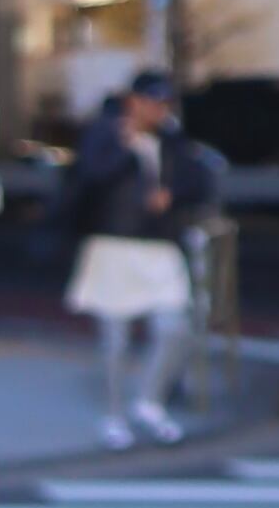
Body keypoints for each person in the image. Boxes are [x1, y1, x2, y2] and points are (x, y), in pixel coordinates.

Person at [65, 69, 222, 447]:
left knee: (176, 325)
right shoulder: (106, 134)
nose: (157, 110)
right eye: (152, 101)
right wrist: (124, 148)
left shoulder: (172, 139)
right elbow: (89, 177)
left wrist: (171, 194)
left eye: (163, 103)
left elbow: (199, 179)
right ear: (132, 101)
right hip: (112, 244)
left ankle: (149, 401)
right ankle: (114, 414)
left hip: (159, 245)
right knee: (115, 339)